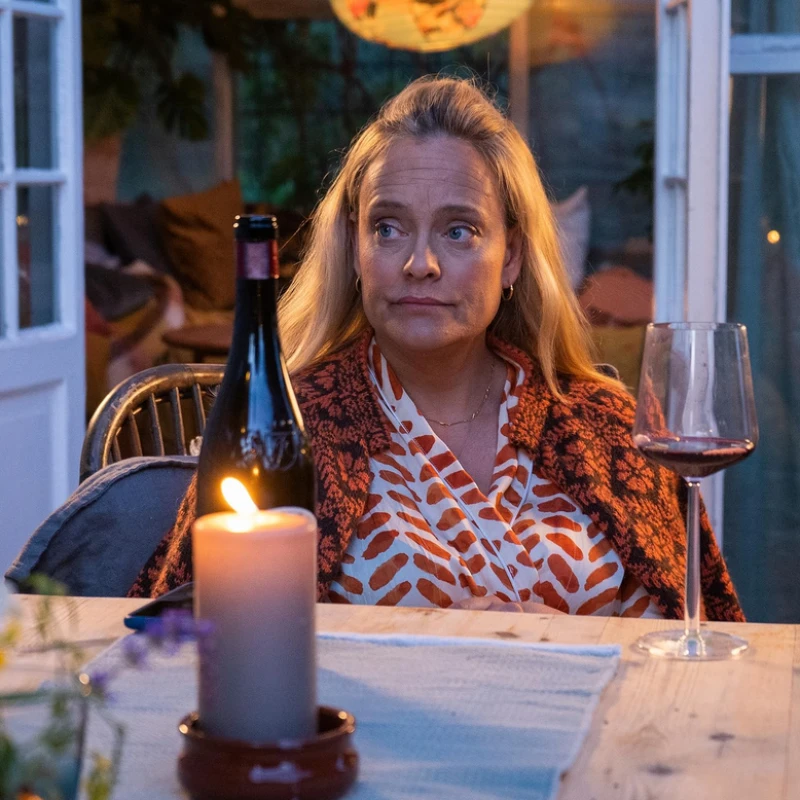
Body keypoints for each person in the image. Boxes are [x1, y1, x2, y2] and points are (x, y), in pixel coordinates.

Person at [130, 76, 743, 621]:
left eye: (459, 231)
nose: (419, 263)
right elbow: (178, 646)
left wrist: (559, 645)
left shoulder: (605, 427)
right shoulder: (285, 432)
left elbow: (701, 647)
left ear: (513, 255)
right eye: (387, 227)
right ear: (355, 248)